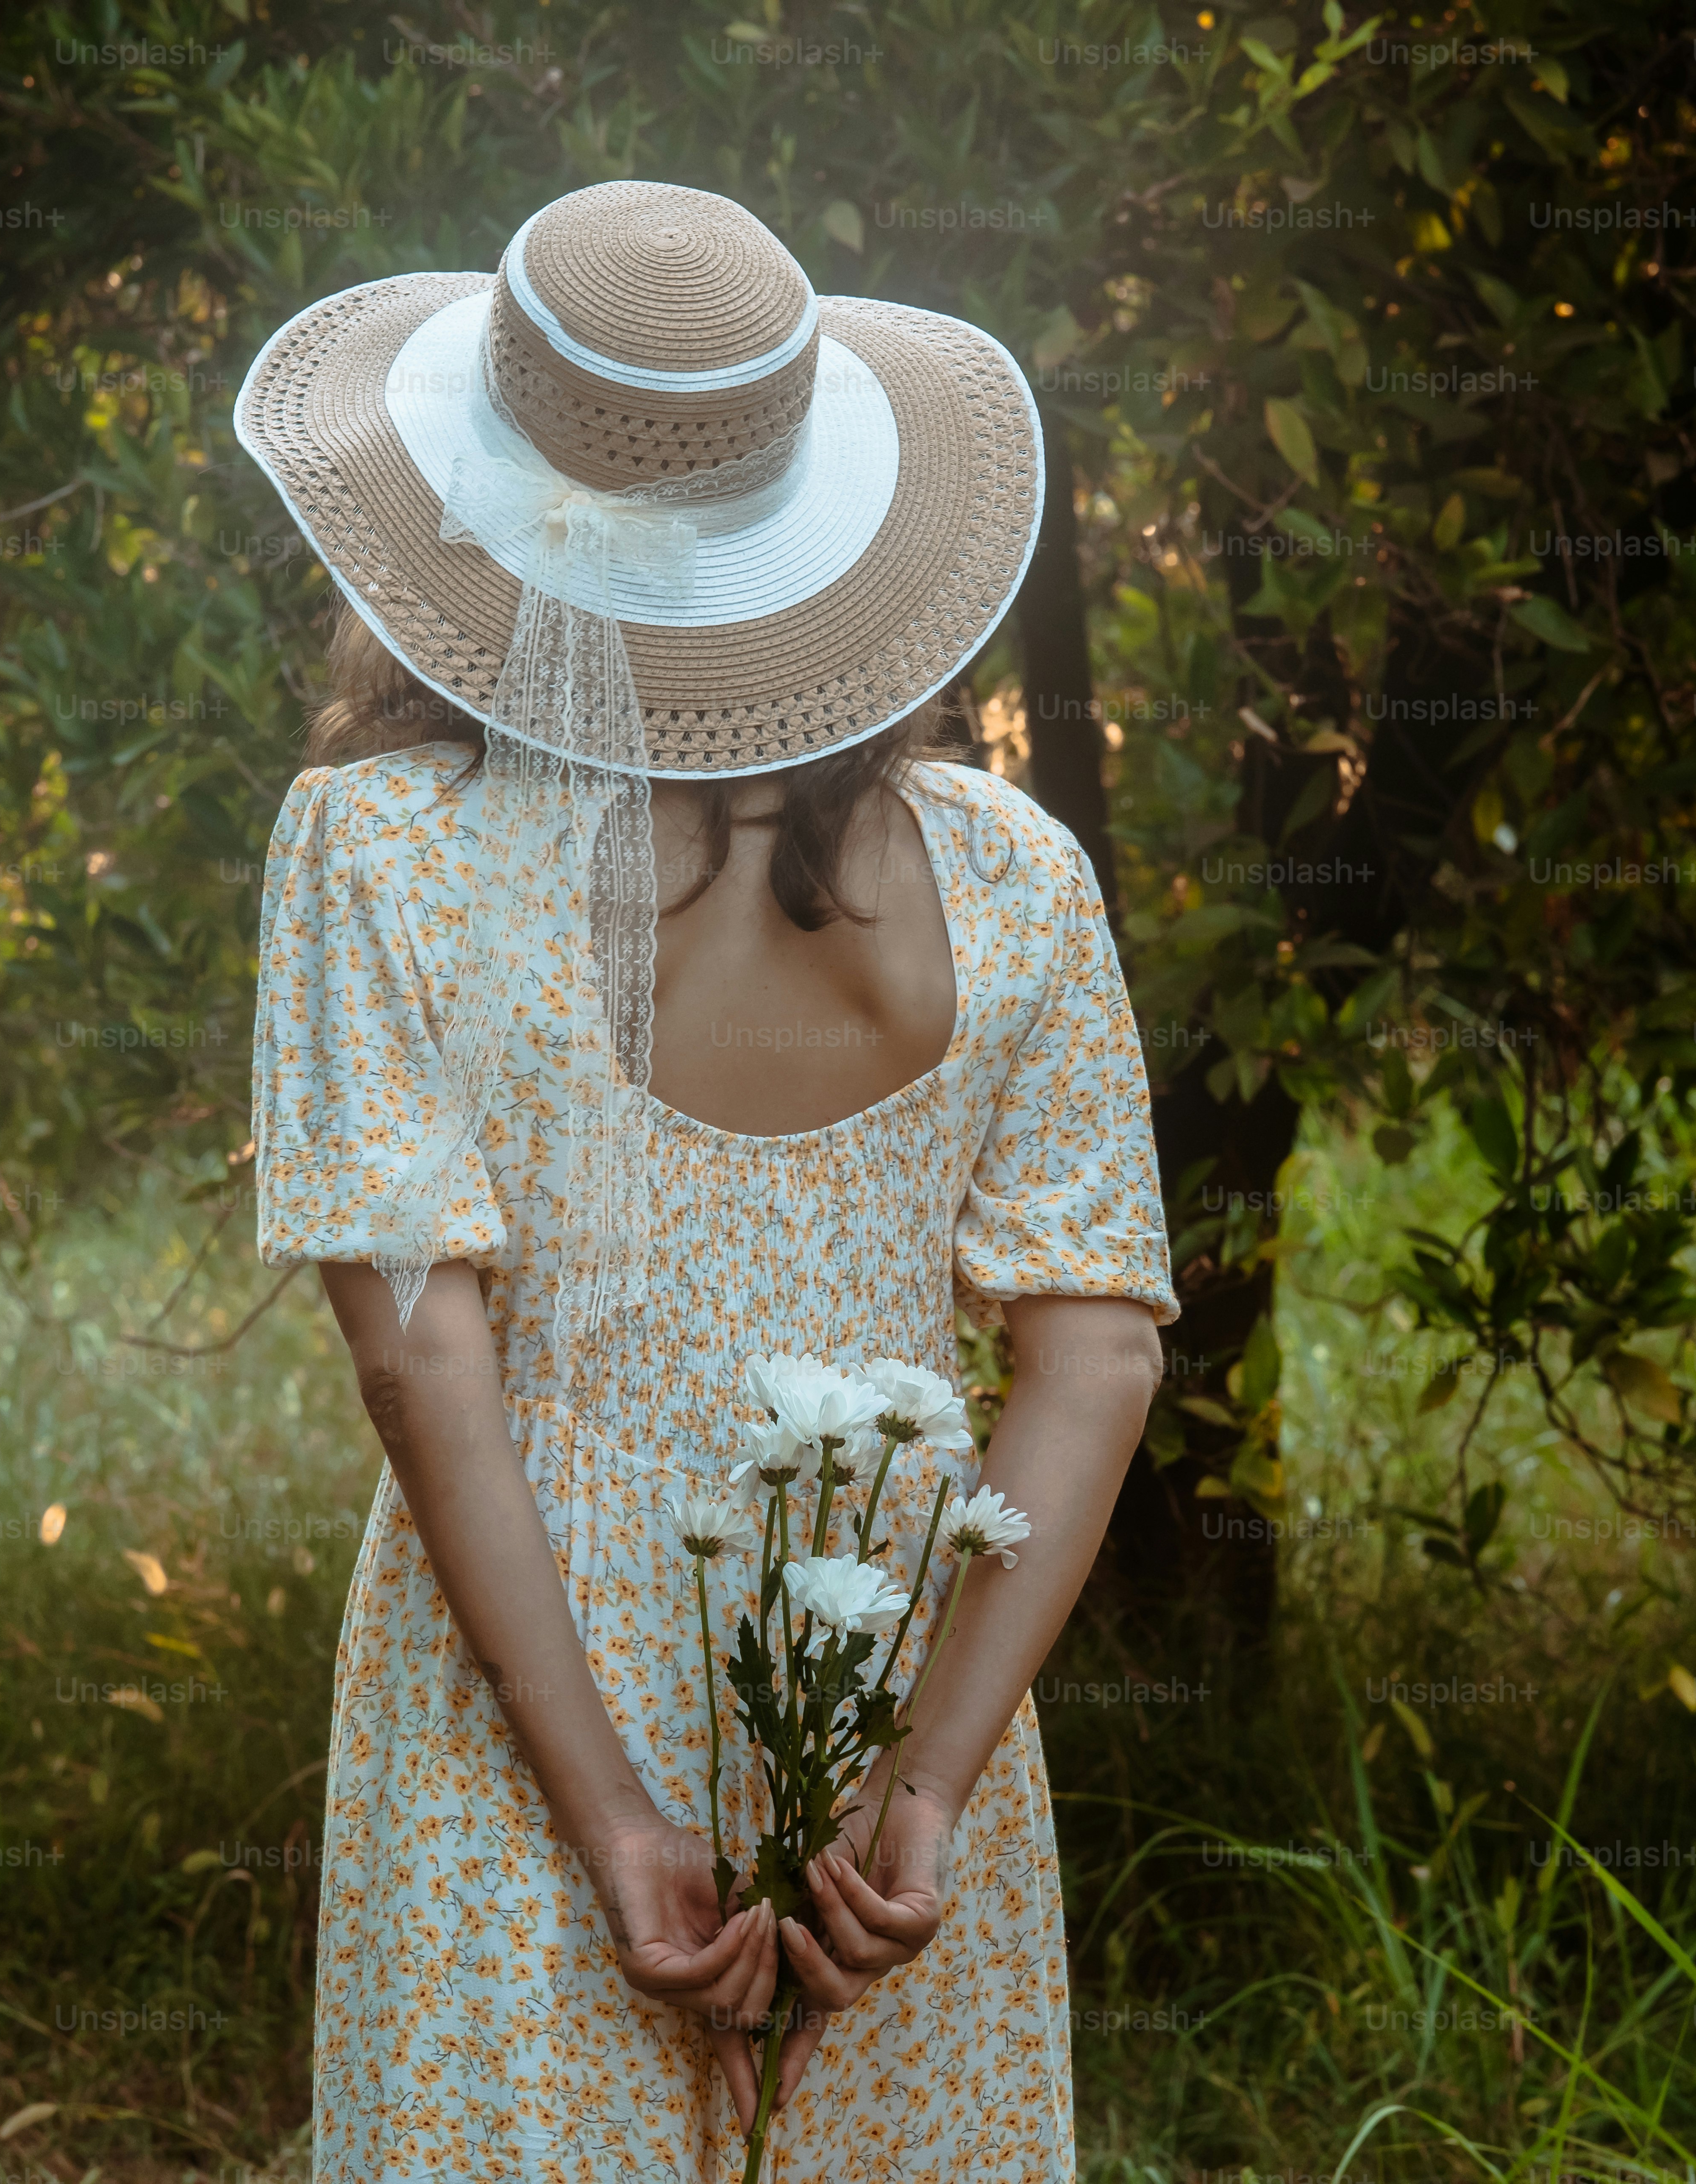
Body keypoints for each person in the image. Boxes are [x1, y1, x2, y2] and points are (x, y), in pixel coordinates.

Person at [240, 179, 1176, 2181]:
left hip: (523, 1716)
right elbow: (1094, 1364)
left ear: (470, 517)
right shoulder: (1016, 881)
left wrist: (613, 1820)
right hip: (886, 1667)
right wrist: (920, 1789)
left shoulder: (379, 852)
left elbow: (427, 1368)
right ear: (823, 530)